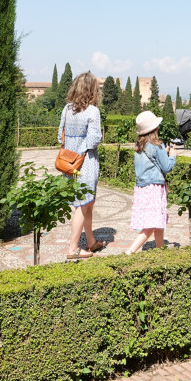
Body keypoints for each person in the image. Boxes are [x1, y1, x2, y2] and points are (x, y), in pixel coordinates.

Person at [59, 72, 105, 260]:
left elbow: (59, 135)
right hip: (85, 162)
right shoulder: (93, 111)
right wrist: (82, 149)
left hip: (68, 161)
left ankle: (91, 240)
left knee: (87, 202)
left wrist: (72, 147)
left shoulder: (67, 109)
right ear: (92, 90)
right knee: (82, 204)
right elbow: (94, 139)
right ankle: (73, 248)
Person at [127, 110, 177, 254]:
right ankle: (129, 252)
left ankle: (159, 251)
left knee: (158, 220)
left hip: (142, 188)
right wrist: (172, 156)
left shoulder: (139, 146)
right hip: (154, 188)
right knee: (150, 225)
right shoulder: (157, 145)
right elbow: (167, 167)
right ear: (155, 128)